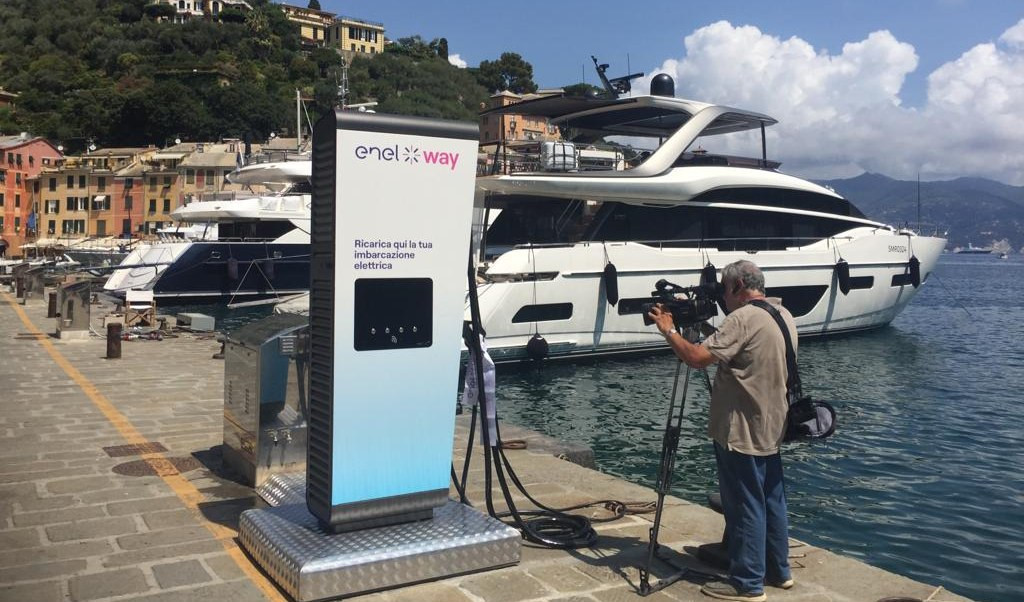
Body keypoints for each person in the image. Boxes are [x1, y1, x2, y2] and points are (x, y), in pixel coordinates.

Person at [647, 259, 794, 602]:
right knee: (772, 499)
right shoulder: (782, 315)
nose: (723, 300)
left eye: (724, 292)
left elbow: (697, 357)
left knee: (744, 504)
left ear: (738, 286)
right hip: (772, 425)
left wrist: (668, 329)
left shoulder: (742, 318)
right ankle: (779, 570)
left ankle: (748, 582)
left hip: (741, 428)